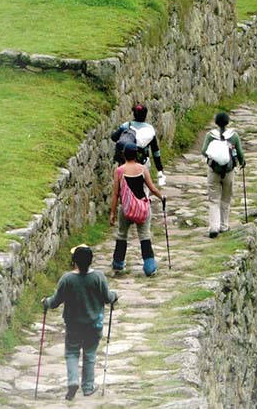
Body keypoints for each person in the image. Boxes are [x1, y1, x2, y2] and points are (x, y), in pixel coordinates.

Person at [42, 244, 117, 400]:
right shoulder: (98, 277)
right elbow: (107, 298)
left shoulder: (67, 279)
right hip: (94, 324)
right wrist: (114, 295)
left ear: (74, 261)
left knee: (72, 353)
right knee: (89, 354)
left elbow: (55, 301)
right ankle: (88, 387)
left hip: (73, 324)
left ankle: (73, 381)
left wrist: (46, 302)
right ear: (91, 261)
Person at [109, 143, 163, 275]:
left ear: (124, 155)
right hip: (142, 208)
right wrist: (162, 197)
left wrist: (112, 213)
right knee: (144, 236)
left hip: (126, 208)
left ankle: (118, 263)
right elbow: (152, 188)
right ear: (137, 155)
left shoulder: (120, 171)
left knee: (122, 234)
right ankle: (150, 267)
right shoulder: (143, 169)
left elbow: (116, 194)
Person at [201, 112, 245, 239]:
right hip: (229, 172)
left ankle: (214, 227)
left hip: (213, 170)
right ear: (228, 122)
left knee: (214, 199)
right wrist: (242, 162)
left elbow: (204, 151)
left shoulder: (210, 136)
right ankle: (224, 225)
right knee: (226, 198)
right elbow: (240, 153)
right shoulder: (234, 136)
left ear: (216, 122)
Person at [111, 104, 167, 187]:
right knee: (144, 187)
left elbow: (114, 137)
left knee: (124, 185)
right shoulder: (150, 129)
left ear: (134, 114)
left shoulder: (126, 126)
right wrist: (159, 168)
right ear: (145, 115)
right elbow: (155, 151)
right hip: (142, 162)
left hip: (125, 162)